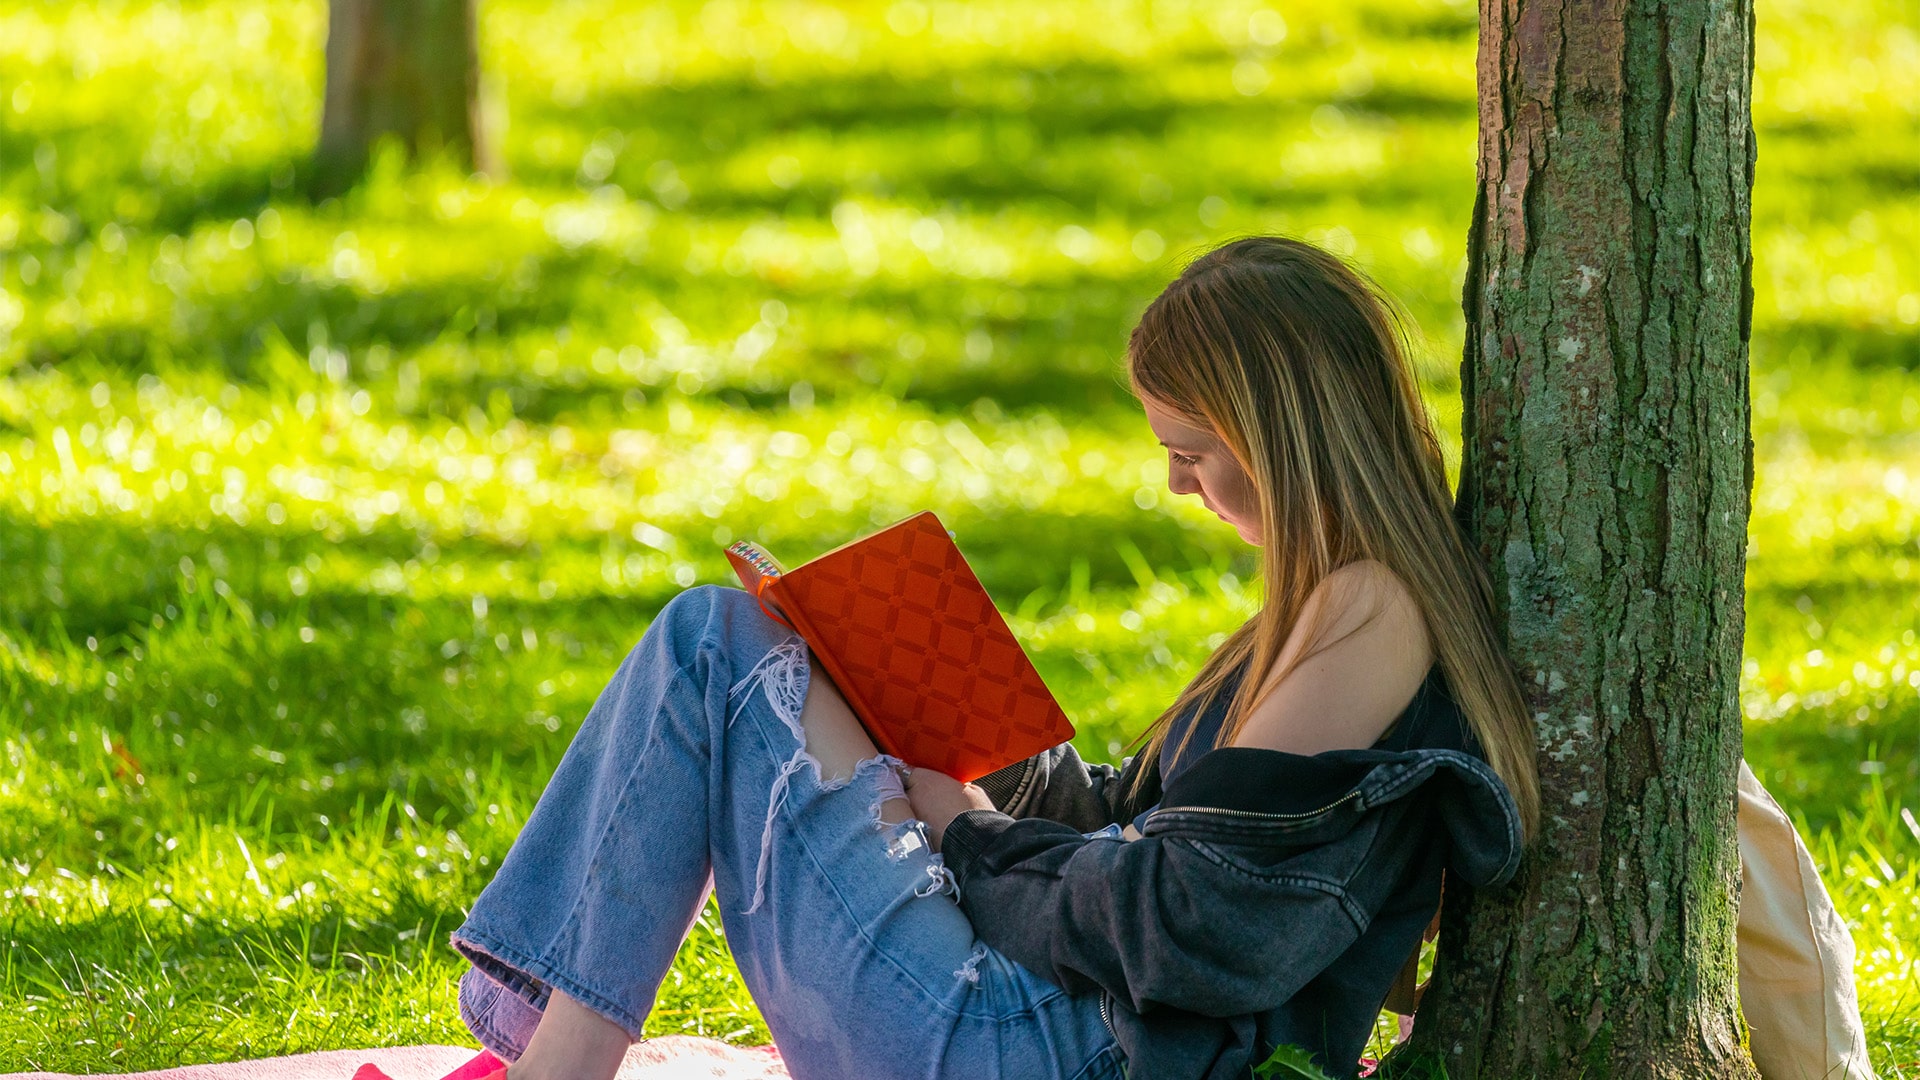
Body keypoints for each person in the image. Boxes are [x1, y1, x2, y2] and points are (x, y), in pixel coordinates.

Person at [433, 236, 1540, 1080]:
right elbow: (1161, 836)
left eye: (1194, 454)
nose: (1178, 487)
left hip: (1055, 1053)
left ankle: (555, 1061)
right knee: (749, 644)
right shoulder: (1344, 601)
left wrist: (971, 831)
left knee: (712, 645)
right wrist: (947, 728)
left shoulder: (1368, 614)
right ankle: (553, 1054)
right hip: (1051, 1033)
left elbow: (1197, 929)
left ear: (1283, 437)